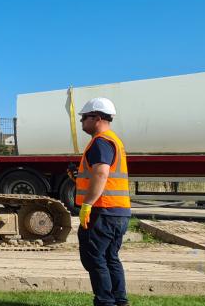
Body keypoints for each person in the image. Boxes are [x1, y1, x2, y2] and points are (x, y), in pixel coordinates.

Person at [74, 97, 131, 306]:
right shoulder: (113, 140)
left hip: (102, 212)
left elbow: (101, 174)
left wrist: (87, 204)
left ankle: (105, 302)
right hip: (118, 212)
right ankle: (120, 301)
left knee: (95, 259)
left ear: (96, 118)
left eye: (84, 118)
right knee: (110, 258)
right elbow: (101, 176)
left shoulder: (100, 141)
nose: (81, 122)